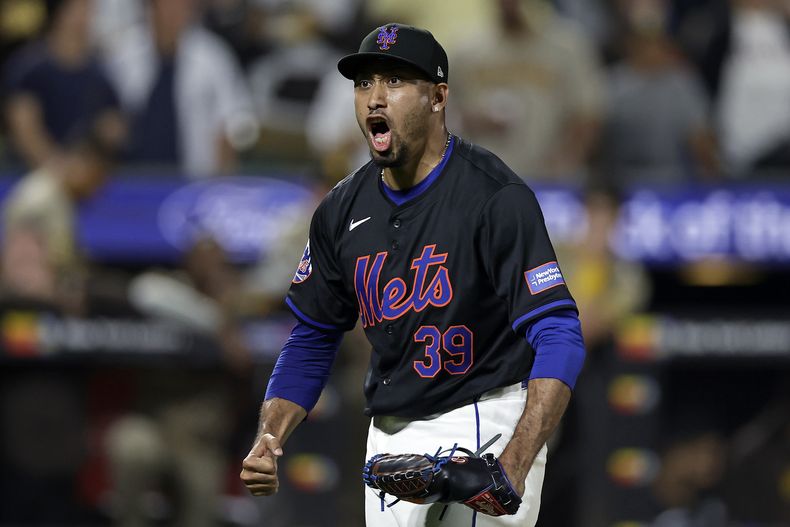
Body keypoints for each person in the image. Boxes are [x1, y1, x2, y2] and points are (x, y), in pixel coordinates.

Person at [240, 24, 586, 526]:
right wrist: (269, 438)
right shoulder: (340, 210)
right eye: (364, 84)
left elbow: (559, 332)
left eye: (395, 81)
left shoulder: (494, 197)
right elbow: (313, 335)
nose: (375, 98)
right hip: (393, 434)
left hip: (487, 414)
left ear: (438, 97)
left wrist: (517, 458)